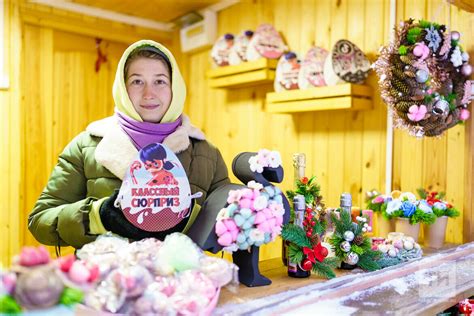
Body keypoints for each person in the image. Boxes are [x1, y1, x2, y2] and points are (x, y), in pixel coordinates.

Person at [28, 40, 230, 250]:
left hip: (181, 279)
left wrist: (192, 216)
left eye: (159, 81)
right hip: (107, 278)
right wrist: (98, 216)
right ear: (123, 88)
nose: (148, 93)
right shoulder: (86, 145)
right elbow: (40, 220)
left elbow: (230, 222)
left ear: (175, 87)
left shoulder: (207, 153)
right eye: (137, 81)